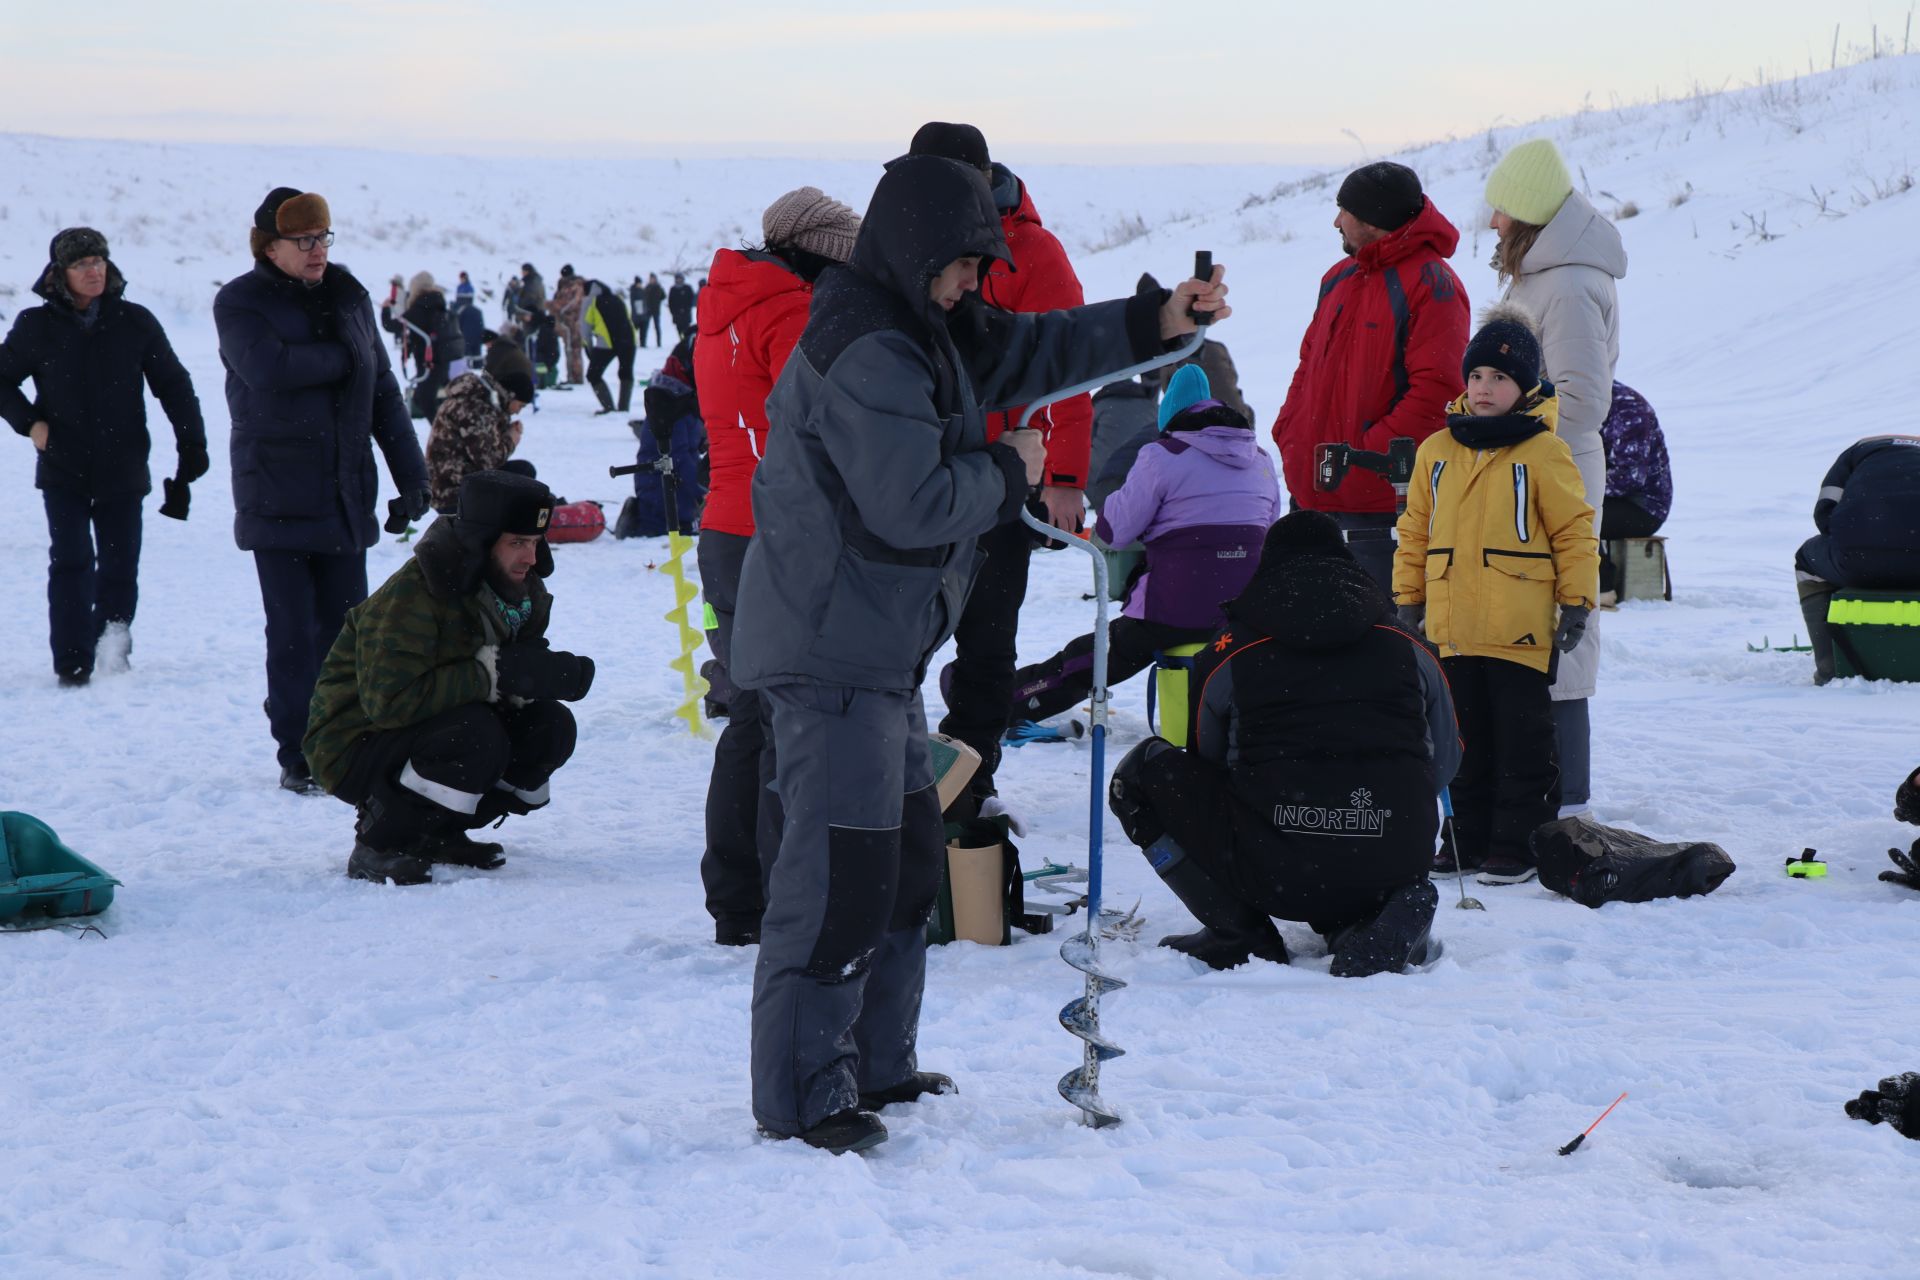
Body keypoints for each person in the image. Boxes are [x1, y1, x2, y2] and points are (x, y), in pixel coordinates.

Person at [729, 153, 1229, 1154]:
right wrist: (1009, 468)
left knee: (906, 861)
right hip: (832, 651)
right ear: (919, 252)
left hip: (878, 650)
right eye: (963, 266)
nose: (975, 286)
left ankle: (874, 1062)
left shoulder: (926, 324)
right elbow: (909, 504)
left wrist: (1157, 321)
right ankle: (801, 1097)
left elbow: (1034, 349)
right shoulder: (867, 345)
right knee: (838, 878)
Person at [1107, 510, 1457, 975]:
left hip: (1274, 868)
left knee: (1141, 775)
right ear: (1347, 564)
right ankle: (1366, 919)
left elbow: (1206, 760)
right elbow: (1447, 761)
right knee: (1366, 858)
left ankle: (1239, 933)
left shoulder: (1230, 649)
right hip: (1392, 854)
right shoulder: (1408, 644)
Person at [898, 122, 1097, 809]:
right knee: (897, 643)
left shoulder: (1033, 251)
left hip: (999, 482)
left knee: (986, 641)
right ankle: (896, 779)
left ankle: (969, 783)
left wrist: (1066, 476)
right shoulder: (899, 246)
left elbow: (1068, 364)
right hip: (913, 478)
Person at [214, 186, 431, 794]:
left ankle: (345, 740)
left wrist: (412, 475)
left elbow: (384, 390)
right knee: (291, 631)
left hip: (343, 490)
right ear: (270, 246)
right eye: (303, 240)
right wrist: (344, 357)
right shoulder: (240, 302)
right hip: (275, 492)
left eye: (323, 238)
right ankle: (297, 751)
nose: (317, 251)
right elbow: (269, 370)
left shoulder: (349, 295)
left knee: (347, 633)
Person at [692, 185, 861, 945]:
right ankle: (773, 899)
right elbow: (829, 423)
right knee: (784, 719)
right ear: (819, 256)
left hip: (727, 526)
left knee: (749, 715)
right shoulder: (789, 310)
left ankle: (736, 896)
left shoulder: (723, 305)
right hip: (777, 532)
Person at [303, 471, 595, 885]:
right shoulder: (415, 593)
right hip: (353, 740)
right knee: (474, 735)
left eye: (534, 543)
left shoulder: (521, 592)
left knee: (549, 727)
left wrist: (537, 678)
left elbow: (506, 675)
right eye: (516, 543)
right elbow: (389, 702)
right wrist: (492, 673)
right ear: (481, 541)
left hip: (432, 724)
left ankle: (437, 833)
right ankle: (379, 841)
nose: (530, 558)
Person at [1392, 305, 1598, 884]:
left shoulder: (1544, 452)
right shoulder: (1437, 450)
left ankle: (1518, 841)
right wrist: (1408, 597)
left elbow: (1573, 532)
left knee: (1522, 741)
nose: (1484, 388)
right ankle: (1463, 837)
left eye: (1500, 378)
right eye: (1476, 376)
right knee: (1461, 740)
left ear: (1525, 387)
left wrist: (1578, 600)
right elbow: (1413, 531)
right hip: (1452, 624)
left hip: (1519, 624)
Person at [1009, 365, 1277, 729]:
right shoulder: (1260, 458)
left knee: (1095, 658)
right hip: (1243, 613)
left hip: (1174, 609)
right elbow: (1269, 527)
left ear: (1170, 418)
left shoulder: (1162, 455)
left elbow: (1114, 530)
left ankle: (1008, 699)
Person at [1485, 137, 1627, 819]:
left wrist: (1512, 441)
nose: (1493, 223)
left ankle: (1566, 793)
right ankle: (1527, 780)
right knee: (1518, 620)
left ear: (1531, 216)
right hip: (1522, 469)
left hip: (1556, 477)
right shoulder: (1540, 276)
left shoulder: (1568, 284)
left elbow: (1580, 400)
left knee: (1562, 622)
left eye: (1503, 211)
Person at [1, 227, 207, 687]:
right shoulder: (36, 326)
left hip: (123, 463)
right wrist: (31, 425)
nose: (93, 271)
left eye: (99, 261)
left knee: (119, 563)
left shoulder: (135, 322)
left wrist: (192, 442)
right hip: (62, 465)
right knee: (71, 559)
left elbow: (173, 382)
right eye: (81, 264)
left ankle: (111, 644)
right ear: (60, 273)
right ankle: (72, 660)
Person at [1271, 161, 1470, 591]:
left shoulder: (1433, 283)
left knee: (1381, 645)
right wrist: (1290, 435)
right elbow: (1306, 368)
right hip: (1311, 500)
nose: (1336, 221)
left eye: (1344, 211)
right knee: (1305, 644)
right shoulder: (1337, 278)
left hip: (1379, 517)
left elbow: (1436, 394)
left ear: (1372, 220)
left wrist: (1360, 463)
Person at [1794, 434, 1920, 684]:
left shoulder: (1856, 454)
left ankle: (1830, 667)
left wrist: (1861, 544)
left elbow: (1824, 513)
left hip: (1857, 559)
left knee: (1806, 562)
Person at [425, 366, 537, 515]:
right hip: (452, 492)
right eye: (520, 405)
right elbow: (488, 461)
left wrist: (504, 429)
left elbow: (480, 443)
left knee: (523, 472)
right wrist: (510, 440)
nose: (518, 411)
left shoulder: (478, 399)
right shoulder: (476, 406)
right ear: (510, 395)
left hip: (452, 480)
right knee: (523, 475)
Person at [1596, 381, 1671, 601]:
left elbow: (1628, 478)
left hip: (1643, 506)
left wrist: (1573, 490)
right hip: (1608, 497)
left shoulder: (1628, 408)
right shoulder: (1580, 401)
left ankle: (1602, 588)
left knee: (1571, 514)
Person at [623, 341, 705, 536]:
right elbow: (678, 458)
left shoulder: (683, 398)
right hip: (665, 504)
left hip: (680, 499)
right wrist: (705, 490)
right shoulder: (669, 403)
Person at [581, 277, 637, 414]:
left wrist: (588, 347)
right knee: (626, 373)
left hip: (607, 343)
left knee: (593, 374)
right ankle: (623, 408)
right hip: (629, 341)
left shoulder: (591, 301)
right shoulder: (617, 298)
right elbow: (628, 318)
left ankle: (609, 408)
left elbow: (585, 327)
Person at [549, 265, 586, 386]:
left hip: (572, 322)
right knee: (575, 350)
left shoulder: (571, 286)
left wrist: (549, 305)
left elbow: (566, 304)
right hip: (578, 321)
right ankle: (575, 376)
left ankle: (574, 376)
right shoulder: (581, 285)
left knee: (572, 350)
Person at [667, 273, 695, 342]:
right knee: (679, 329)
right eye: (677, 279)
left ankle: (687, 341)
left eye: (680, 278)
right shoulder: (673, 289)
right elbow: (670, 302)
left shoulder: (687, 288)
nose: (679, 280)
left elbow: (692, 299)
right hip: (677, 314)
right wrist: (673, 311)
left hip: (686, 313)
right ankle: (682, 341)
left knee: (687, 329)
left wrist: (687, 308)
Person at [640, 273, 666, 347]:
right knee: (646, 327)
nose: (652, 280)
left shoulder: (658, 287)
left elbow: (663, 296)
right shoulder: (647, 287)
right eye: (651, 279)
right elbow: (643, 296)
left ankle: (659, 343)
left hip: (656, 310)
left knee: (657, 327)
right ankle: (643, 343)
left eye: (653, 279)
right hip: (648, 310)